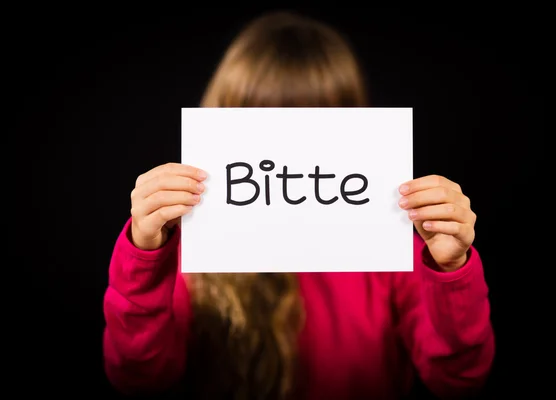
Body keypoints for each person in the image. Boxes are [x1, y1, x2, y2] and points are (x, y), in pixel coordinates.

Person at [103, 11, 495, 399]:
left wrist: (450, 269)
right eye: (264, 124)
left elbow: (458, 379)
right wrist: (144, 255)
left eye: (315, 125)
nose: (288, 152)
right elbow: (141, 379)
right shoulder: (191, 253)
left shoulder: (392, 255)